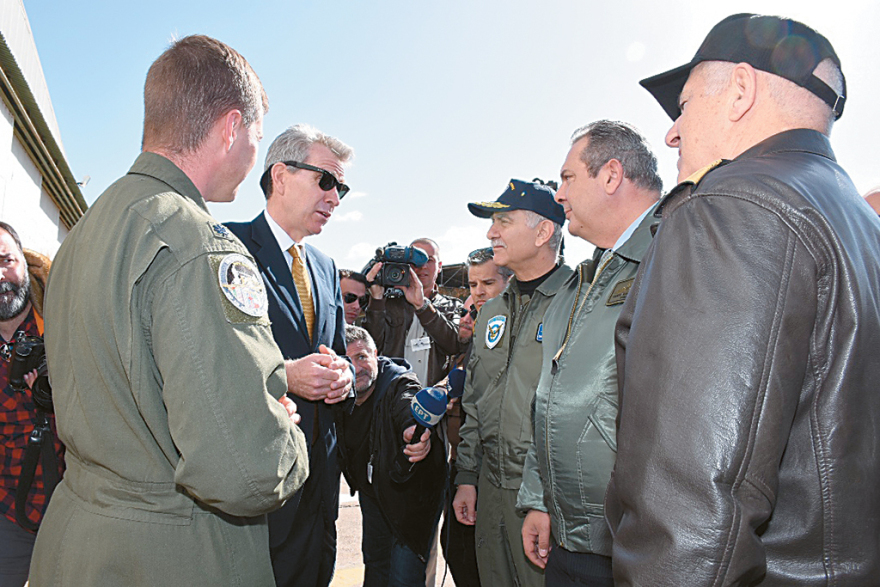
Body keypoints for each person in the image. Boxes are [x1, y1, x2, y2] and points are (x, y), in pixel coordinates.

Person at [605, 13, 880, 585]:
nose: (672, 133)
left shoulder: (729, 207)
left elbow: (691, 518)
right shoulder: (857, 221)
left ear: (740, 90)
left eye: (682, 106)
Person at [31, 35, 309, 586]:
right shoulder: (197, 244)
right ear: (231, 127)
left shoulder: (89, 229)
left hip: (78, 545)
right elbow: (244, 471)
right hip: (172, 556)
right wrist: (284, 436)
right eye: (256, 136)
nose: (254, 152)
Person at [516, 121, 662, 586]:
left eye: (567, 178)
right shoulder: (584, 278)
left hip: (637, 550)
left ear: (612, 175)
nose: (560, 195)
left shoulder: (677, 251)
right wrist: (541, 500)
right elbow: (551, 396)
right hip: (573, 541)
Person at [226, 123, 355, 587]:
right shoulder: (227, 246)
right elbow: (205, 358)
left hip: (319, 485)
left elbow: (335, 352)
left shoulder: (324, 266)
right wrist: (283, 375)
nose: (335, 197)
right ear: (280, 175)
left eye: (341, 187)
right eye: (326, 181)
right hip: (257, 485)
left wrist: (344, 377)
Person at [453, 179, 573, 587]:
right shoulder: (491, 311)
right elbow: (475, 399)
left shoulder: (577, 302)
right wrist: (467, 476)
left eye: (504, 221)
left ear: (543, 233)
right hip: (489, 490)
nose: (491, 232)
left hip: (547, 500)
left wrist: (544, 499)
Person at [337, 325, 446, 587]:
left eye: (362, 357)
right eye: (347, 360)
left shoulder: (397, 382)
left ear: (376, 354)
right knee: (375, 566)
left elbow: (407, 399)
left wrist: (414, 430)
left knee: (403, 576)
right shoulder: (338, 392)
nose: (356, 367)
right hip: (373, 492)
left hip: (410, 501)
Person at [0, 223, 64, 587]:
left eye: (5, 260)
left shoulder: (67, 318)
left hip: (76, 504)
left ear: (23, 260)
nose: (0, 276)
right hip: (8, 508)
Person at [364, 238, 462, 387]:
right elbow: (370, 345)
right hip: (392, 398)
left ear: (439, 266)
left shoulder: (453, 305)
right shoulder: (388, 303)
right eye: (414, 260)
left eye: (429, 260)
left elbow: (455, 344)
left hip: (431, 398)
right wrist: (376, 300)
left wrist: (422, 306)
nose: (422, 266)